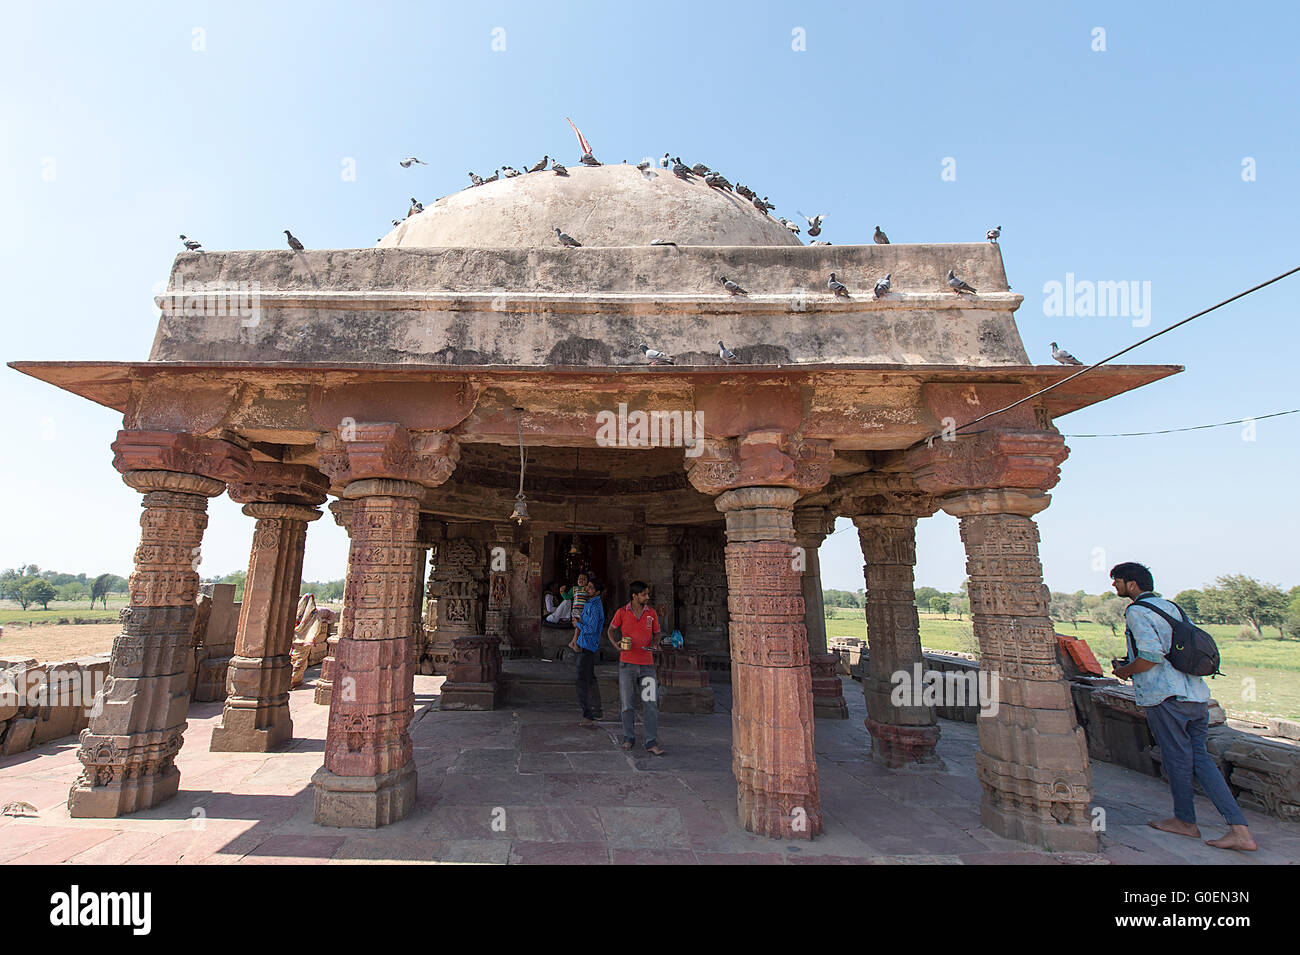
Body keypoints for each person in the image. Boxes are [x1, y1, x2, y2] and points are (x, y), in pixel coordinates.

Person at [1110, 561, 1257, 851]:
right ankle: (1238, 826)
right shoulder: (1173, 608)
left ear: (1132, 584)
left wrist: (1124, 671)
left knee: (1177, 758)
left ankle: (1186, 822)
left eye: (1117, 581)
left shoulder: (1137, 611)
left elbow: (1151, 655)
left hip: (1166, 698)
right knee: (1199, 758)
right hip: (1195, 695)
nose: (1114, 586)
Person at [607, 580, 665, 755]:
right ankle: (628, 737)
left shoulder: (651, 614)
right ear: (634, 596)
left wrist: (655, 644)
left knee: (650, 704)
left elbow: (657, 633)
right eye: (644, 594)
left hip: (647, 665)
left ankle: (650, 741)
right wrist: (615, 645)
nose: (647, 597)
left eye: (647, 594)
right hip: (627, 665)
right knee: (627, 704)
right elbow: (611, 630)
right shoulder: (622, 612)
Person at [567, 578, 605, 726]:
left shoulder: (596, 607)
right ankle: (597, 711)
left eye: (590, 588)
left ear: (597, 592)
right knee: (590, 679)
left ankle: (588, 714)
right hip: (583, 644)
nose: (587, 589)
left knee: (581, 681)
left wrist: (578, 624)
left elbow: (591, 629)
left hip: (588, 647)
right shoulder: (588, 603)